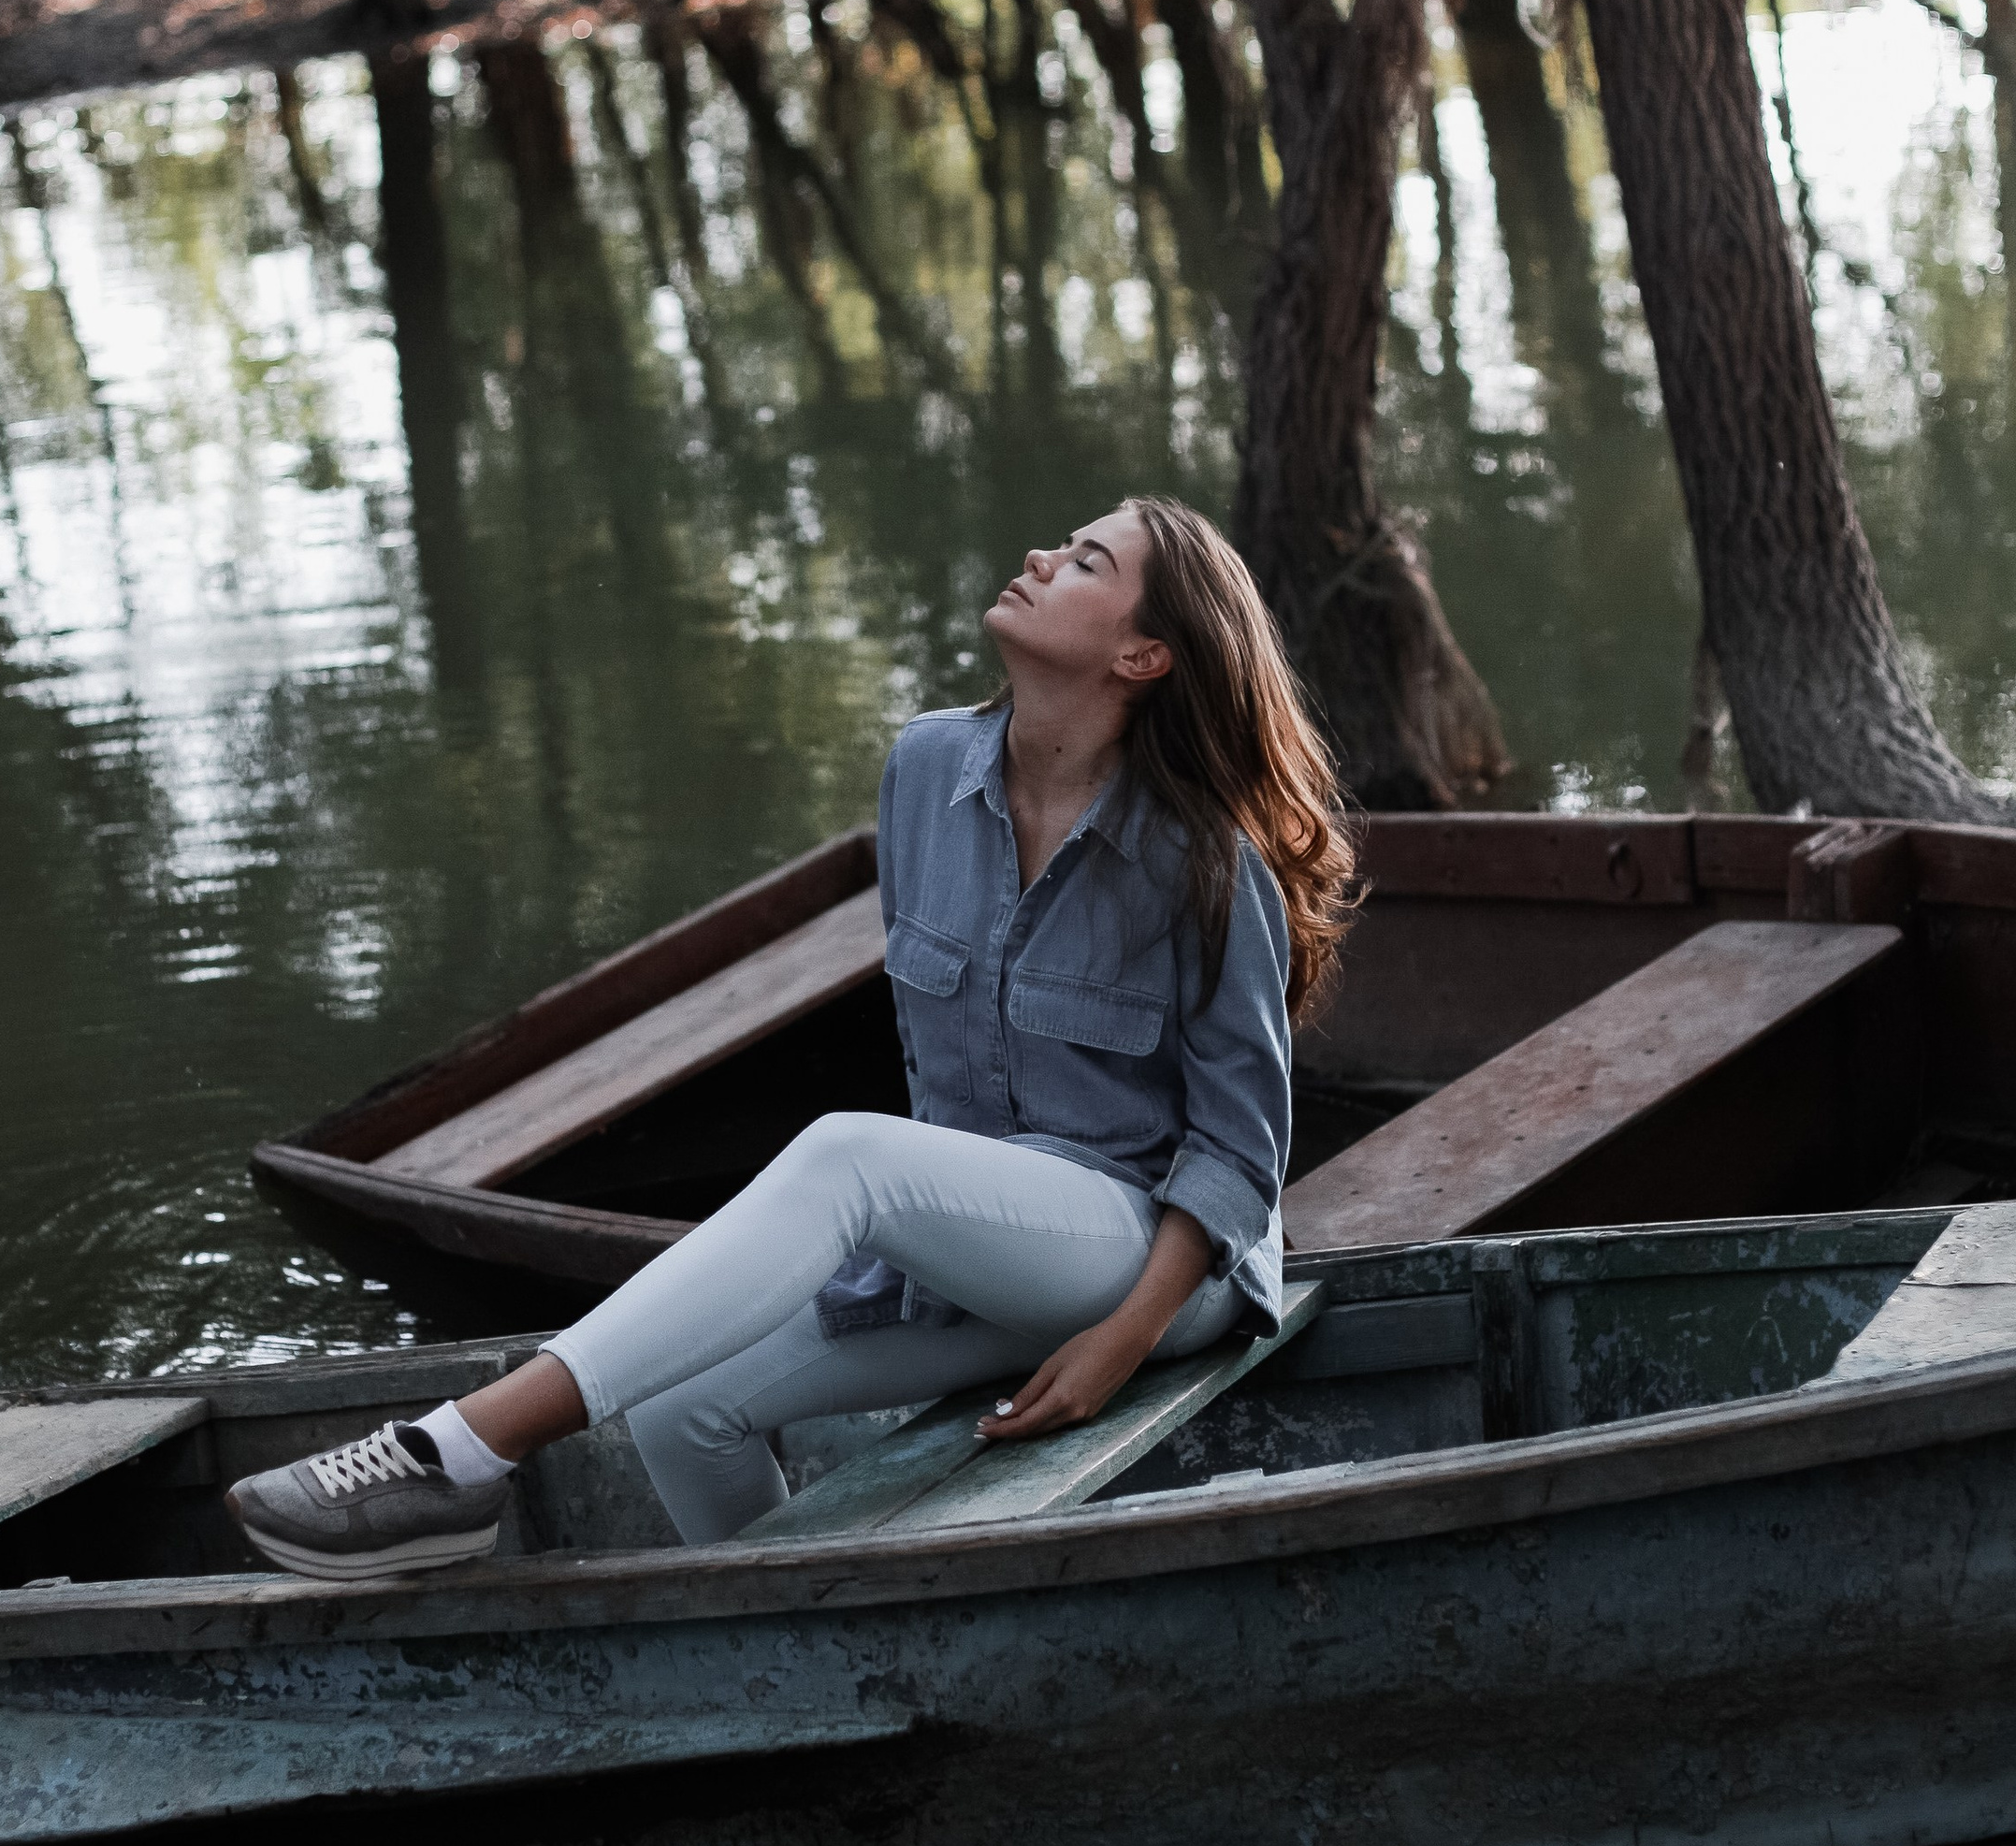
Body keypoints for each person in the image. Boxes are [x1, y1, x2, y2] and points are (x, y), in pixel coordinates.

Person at [228, 497, 1355, 1578]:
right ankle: (812, 1636)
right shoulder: (926, 771)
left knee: (848, 1156)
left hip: (1159, 1266)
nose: (1040, 558)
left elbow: (1238, 1158)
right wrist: (929, 1252)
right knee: (681, 1408)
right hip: (992, 1244)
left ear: (1143, 656)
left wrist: (1121, 1341)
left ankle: (456, 1453)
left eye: (1086, 563)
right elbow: (944, 1084)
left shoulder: (1204, 860)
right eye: (1063, 542)